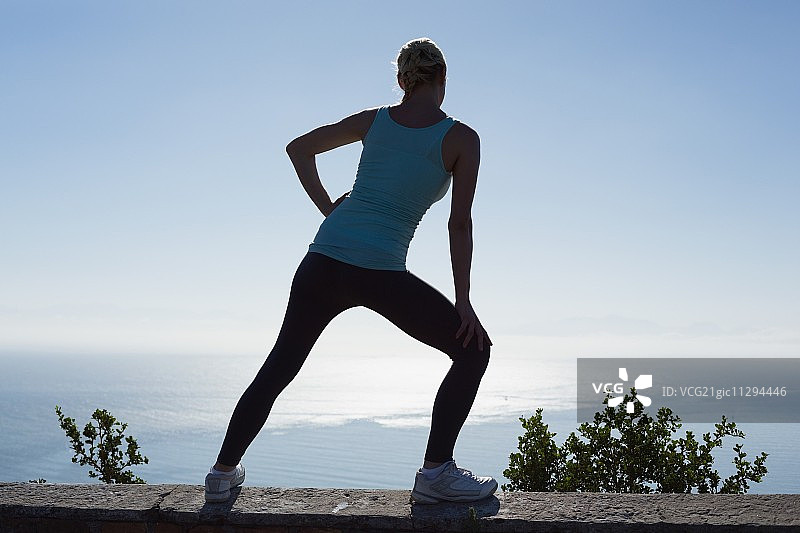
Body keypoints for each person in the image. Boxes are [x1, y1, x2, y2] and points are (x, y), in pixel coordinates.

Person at [204, 37, 497, 504]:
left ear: (402, 80)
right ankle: (436, 473)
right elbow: (458, 224)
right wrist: (463, 302)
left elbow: (299, 149)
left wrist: (329, 211)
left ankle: (221, 475)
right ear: (443, 78)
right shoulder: (462, 138)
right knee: (473, 351)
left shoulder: (373, 120)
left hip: (322, 261)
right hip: (379, 271)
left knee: (280, 365)